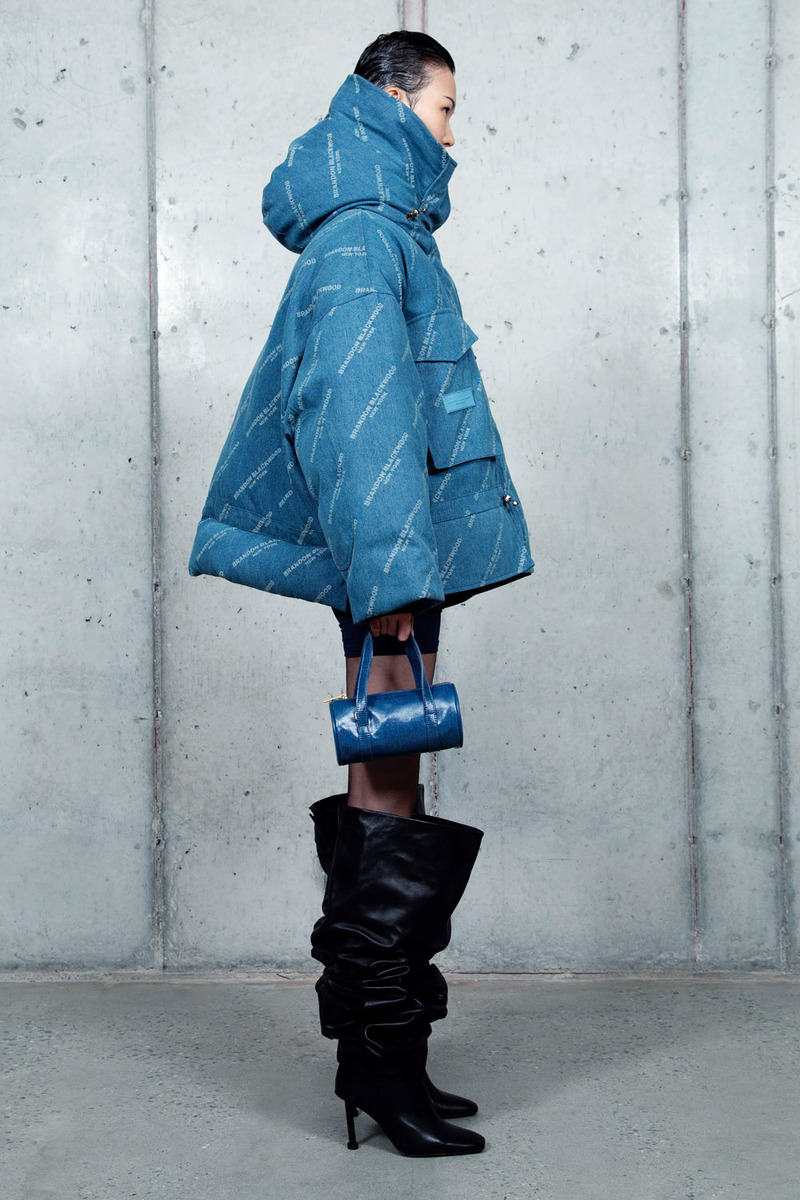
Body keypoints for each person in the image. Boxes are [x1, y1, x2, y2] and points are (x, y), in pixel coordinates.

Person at [189, 30, 533, 1157]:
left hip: (400, 564)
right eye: (444, 110)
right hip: (390, 568)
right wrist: (389, 580)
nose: (453, 136)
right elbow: (358, 419)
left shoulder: (380, 228)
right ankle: (381, 1070)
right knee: (386, 795)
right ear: (390, 102)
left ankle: (392, 1060)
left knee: (393, 785)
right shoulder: (361, 238)